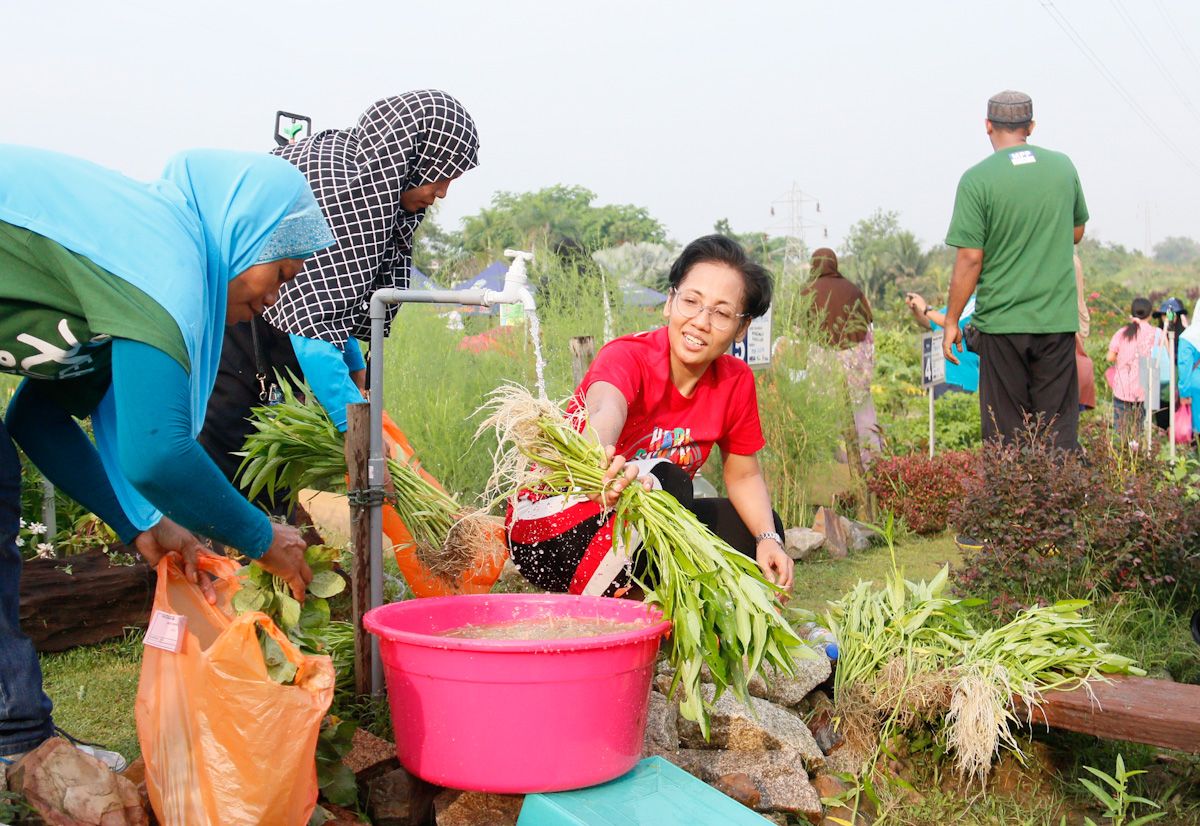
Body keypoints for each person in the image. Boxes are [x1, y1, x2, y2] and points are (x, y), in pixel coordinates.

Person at [0, 144, 334, 768]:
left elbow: (37, 419)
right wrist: (262, 535)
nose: (274, 299)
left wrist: (143, 524)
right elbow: (159, 454)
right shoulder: (167, 263)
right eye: (281, 273)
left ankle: (14, 737)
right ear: (245, 236)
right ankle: (14, 744)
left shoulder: (133, 256)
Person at [199, 90, 480, 514]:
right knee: (234, 480)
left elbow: (332, 296)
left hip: (270, 335)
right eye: (441, 175)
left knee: (271, 486)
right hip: (233, 331)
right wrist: (362, 437)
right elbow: (313, 324)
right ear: (412, 154)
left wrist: (356, 371)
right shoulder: (347, 188)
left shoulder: (363, 177)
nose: (441, 192)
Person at [507, 235, 793, 597]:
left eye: (721, 313)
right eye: (691, 301)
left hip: (636, 530)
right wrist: (600, 456)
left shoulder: (735, 381)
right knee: (668, 481)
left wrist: (768, 539)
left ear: (741, 328)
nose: (701, 321)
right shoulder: (629, 355)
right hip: (550, 528)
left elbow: (744, 475)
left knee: (756, 532)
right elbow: (605, 407)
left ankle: (666, 606)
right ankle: (611, 611)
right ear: (670, 302)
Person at [942, 90, 1089, 450]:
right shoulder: (1063, 167)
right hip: (1055, 321)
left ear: (988, 126)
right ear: (1031, 127)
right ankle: (1056, 504)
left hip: (1003, 325)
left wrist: (951, 321)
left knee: (1007, 437)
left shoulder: (977, 180)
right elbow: (1076, 231)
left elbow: (970, 258)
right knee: (1057, 434)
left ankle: (1011, 505)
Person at [801, 248, 881, 459]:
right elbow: (868, 321)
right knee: (861, 411)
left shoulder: (807, 291)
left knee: (823, 411)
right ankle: (868, 457)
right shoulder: (852, 289)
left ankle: (827, 459)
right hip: (853, 360)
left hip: (822, 359)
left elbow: (800, 328)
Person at [1105, 297, 1162, 432]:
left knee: (1120, 429)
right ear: (1149, 314)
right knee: (1138, 428)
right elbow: (1166, 352)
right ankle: (1137, 451)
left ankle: (1119, 451)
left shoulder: (1122, 332)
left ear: (1132, 313)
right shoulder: (1156, 333)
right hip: (1144, 387)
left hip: (1122, 388)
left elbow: (1110, 357)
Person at [904, 291, 980, 393]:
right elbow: (930, 322)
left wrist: (925, 308)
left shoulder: (975, 303)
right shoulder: (954, 306)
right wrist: (915, 309)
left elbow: (951, 324)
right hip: (937, 377)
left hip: (959, 380)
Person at [1177, 301, 1200, 440]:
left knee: (1196, 428)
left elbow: (1184, 366)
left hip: (1196, 386)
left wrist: (1184, 393)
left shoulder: (1188, 336)